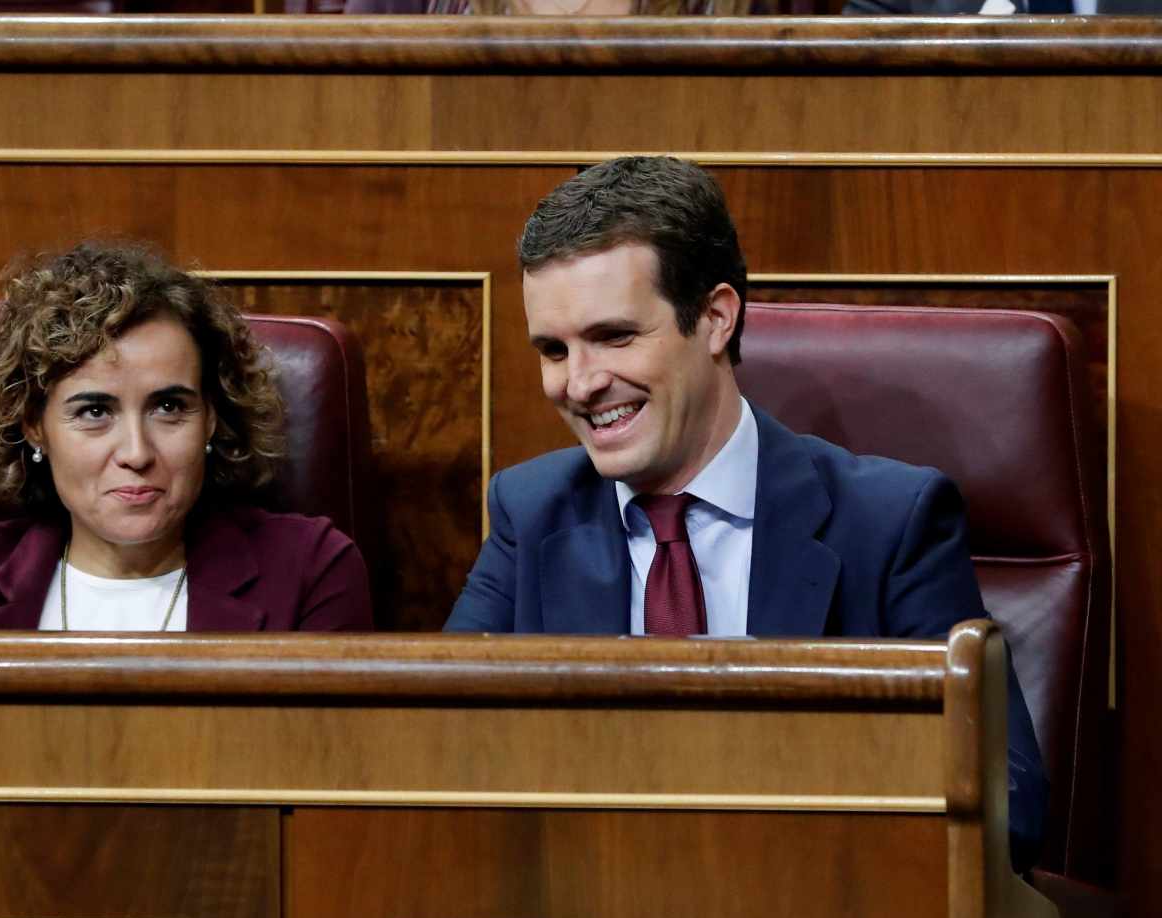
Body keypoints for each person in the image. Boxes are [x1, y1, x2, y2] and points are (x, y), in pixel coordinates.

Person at [444, 156, 1047, 869]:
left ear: (716, 318)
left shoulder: (890, 523)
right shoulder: (529, 513)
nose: (579, 383)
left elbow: (1008, 802)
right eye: (553, 349)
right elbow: (442, 763)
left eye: (614, 336)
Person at [0, 243, 372, 633]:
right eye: (95, 411)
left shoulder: (310, 571)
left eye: (169, 408)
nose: (136, 453)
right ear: (33, 424)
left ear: (212, 418)